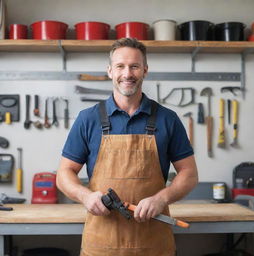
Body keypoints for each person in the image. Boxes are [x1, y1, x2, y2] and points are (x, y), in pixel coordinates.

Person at [56, 37, 198, 256]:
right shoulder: (88, 119)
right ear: (110, 71)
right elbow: (64, 173)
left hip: (153, 242)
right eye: (120, 66)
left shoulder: (167, 119)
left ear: (145, 70)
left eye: (134, 66)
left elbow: (189, 173)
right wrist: (85, 196)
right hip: (102, 243)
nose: (127, 74)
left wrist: (161, 199)